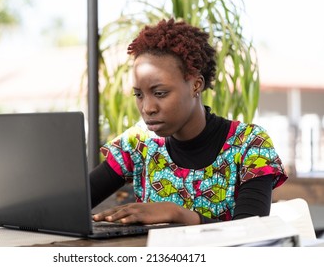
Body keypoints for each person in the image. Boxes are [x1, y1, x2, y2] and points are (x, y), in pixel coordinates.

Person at [90, 18, 288, 226]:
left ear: (196, 85)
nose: (147, 107)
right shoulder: (138, 144)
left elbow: (252, 234)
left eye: (160, 93)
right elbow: (72, 204)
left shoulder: (249, 145)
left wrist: (178, 214)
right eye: (139, 95)